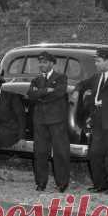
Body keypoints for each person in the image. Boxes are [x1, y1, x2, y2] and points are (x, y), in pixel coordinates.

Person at [73, 49, 108, 194]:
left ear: (107, 61)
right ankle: (101, 184)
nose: (96, 63)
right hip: (97, 122)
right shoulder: (96, 77)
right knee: (94, 154)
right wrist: (76, 90)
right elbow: (82, 84)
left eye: (98, 61)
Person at [27, 51, 70, 193]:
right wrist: (46, 90)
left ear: (52, 63)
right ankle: (41, 182)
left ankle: (62, 182)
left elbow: (59, 93)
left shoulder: (61, 77)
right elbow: (31, 95)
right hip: (39, 121)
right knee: (40, 152)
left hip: (57, 121)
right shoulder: (36, 80)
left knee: (60, 152)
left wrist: (40, 94)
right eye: (40, 62)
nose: (42, 65)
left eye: (45, 62)